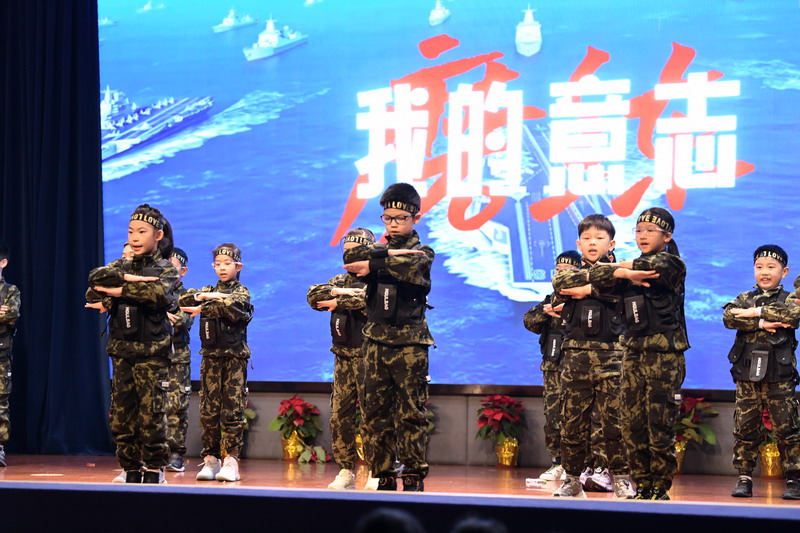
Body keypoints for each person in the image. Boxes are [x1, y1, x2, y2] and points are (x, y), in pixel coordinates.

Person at [570, 207, 687, 500]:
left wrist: (621, 269)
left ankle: (660, 487)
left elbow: (652, 266)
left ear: (667, 236)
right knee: (632, 424)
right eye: (638, 231)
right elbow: (597, 272)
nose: (643, 236)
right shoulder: (628, 270)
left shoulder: (672, 263)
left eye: (650, 231)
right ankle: (642, 485)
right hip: (633, 352)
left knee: (659, 423)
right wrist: (623, 272)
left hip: (664, 354)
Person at [343, 183, 434, 492]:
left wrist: (375, 263)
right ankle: (382, 473)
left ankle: (412, 474)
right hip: (376, 341)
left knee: (411, 413)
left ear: (416, 218)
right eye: (387, 218)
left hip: (410, 342)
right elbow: (351, 257)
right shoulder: (380, 249)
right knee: (374, 413)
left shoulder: (424, 252)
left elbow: (411, 265)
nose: (393, 224)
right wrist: (386, 254)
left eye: (401, 218)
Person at [86, 204, 179, 484]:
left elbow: (157, 294)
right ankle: (129, 467)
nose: (135, 237)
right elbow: (94, 281)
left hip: (152, 353)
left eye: (142, 231)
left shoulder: (166, 268)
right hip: (122, 351)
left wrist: (117, 291)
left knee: (152, 416)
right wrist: (128, 279)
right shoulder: (121, 265)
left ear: (158, 235)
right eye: (130, 232)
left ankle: (154, 468)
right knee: (122, 418)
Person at [549, 214, 633, 499]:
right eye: (586, 238)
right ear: (578, 244)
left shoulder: (624, 275)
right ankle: (572, 479)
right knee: (572, 423)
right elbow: (561, 285)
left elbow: (622, 292)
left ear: (612, 244)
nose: (593, 243)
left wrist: (587, 289)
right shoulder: (570, 272)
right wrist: (601, 284)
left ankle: (620, 478)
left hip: (613, 356)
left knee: (615, 423)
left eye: (599, 238)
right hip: (575, 357)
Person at [725, 245, 800, 500]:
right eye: (759, 267)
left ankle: (794, 479)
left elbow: (792, 316)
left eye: (771, 267)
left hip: (779, 375)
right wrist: (761, 322)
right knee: (744, 428)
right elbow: (729, 317)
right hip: (747, 374)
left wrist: (755, 311)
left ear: (784, 271)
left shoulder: (790, 298)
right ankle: (744, 478)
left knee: (788, 428)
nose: (764, 272)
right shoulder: (744, 297)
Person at [307, 227, 374, 490]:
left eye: (356, 251)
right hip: (343, 358)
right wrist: (343, 294)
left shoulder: (378, 281)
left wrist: (338, 301)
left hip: (370, 358)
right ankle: (346, 469)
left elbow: (369, 300)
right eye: (346, 251)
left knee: (372, 417)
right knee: (339, 416)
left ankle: (375, 469)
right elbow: (314, 295)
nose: (350, 256)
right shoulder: (340, 280)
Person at [179, 243, 253, 482]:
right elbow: (183, 299)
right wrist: (205, 296)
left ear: (238, 266)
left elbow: (232, 306)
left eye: (227, 264)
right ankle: (211, 459)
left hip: (234, 359)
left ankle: (231, 460)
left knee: (232, 411)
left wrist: (205, 302)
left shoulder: (242, 292)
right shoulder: (207, 290)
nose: (222, 268)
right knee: (208, 412)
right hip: (210, 358)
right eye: (218, 264)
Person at [523, 250, 581, 482]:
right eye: (558, 271)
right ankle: (557, 462)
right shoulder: (550, 300)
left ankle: (581, 466)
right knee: (554, 416)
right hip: (553, 368)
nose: (561, 276)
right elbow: (529, 321)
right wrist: (548, 313)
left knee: (579, 418)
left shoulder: (586, 301)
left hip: (578, 369)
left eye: (568, 271)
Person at [165, 247, 194, 472]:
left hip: (177, 358)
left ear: (183, 271)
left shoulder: (187, 296)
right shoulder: (151, 292)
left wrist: (156, 314)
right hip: (152, 357)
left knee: (176, 407)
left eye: (172, 268)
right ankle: (151, 453)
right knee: (151, 406)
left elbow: (181, 321)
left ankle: (175, 454)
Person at [0, 241, 20, 467]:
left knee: (0, 402)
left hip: (1, 356)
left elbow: (10, 315)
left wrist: (4, 313)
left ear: (3, 263)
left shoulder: (10, 291)